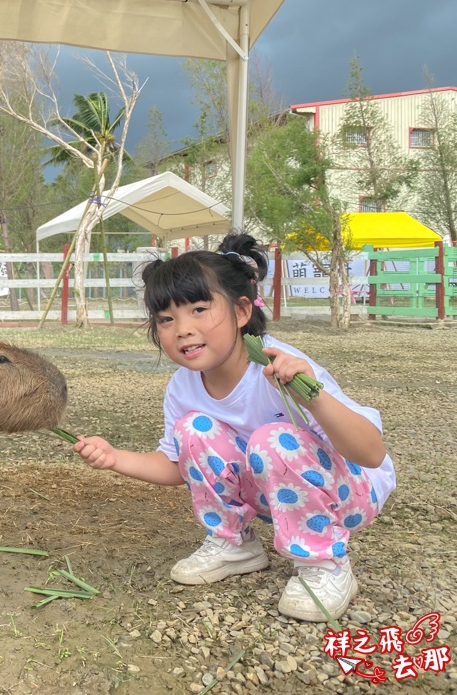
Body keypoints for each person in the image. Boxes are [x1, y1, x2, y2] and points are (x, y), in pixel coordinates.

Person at [72, 233, 395, 622]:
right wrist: (114, 458)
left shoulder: (281, 367)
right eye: (166, 319)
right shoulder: (183, 386)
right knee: (194, 430)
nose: (182, 329)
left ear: (242, 312)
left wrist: (313, 396)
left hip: (351, 492)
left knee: (272, 439)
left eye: (199, 310)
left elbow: (371, 454)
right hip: (273, 498)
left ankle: (325, 564)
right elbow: (179, 465)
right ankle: (235, 543)